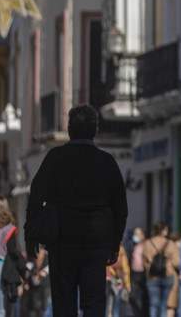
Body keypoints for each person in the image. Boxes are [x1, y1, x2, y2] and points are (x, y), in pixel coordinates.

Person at [25, 104, 129, 317]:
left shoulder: (55, 158)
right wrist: (114, 243)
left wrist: (31, 235)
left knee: (63, 304)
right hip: (96, 244)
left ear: (69, 130)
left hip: (62, 241)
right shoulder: (106, 162)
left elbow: (36, 197)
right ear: (96, 130)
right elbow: (121, 208)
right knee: (94, 303)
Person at [142, 222, 180, 317]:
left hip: (152, 277)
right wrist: (168, 265)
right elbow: (177, 262)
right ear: (163, 231)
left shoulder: (148, 243)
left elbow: (144, 261)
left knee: (153, 305)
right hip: (167, 276)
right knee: (164, 305)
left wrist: (150, 267)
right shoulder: (170, 243)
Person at [106, 244, 131, 317]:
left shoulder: (103, 247)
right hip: (116, 280)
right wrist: (127, 284)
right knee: (115, 307)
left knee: (105, 306)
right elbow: (124, 266)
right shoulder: (120, 249)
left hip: (109, 279)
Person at [130, 227, 149, 317]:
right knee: (132, 297)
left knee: (145, 297)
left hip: (144, 274)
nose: (135, 236)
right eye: (134, 234)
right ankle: (138, 314)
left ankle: (145, 314)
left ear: (143, 235)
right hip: (134, 274)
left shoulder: (147, 245)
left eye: (137, 234)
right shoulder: (132, 246)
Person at [168, 230, 181, 317]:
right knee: (172, 305)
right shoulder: (174, 249)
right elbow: (177, 263)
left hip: (163, 277)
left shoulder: (166, 246)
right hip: (173, 277)